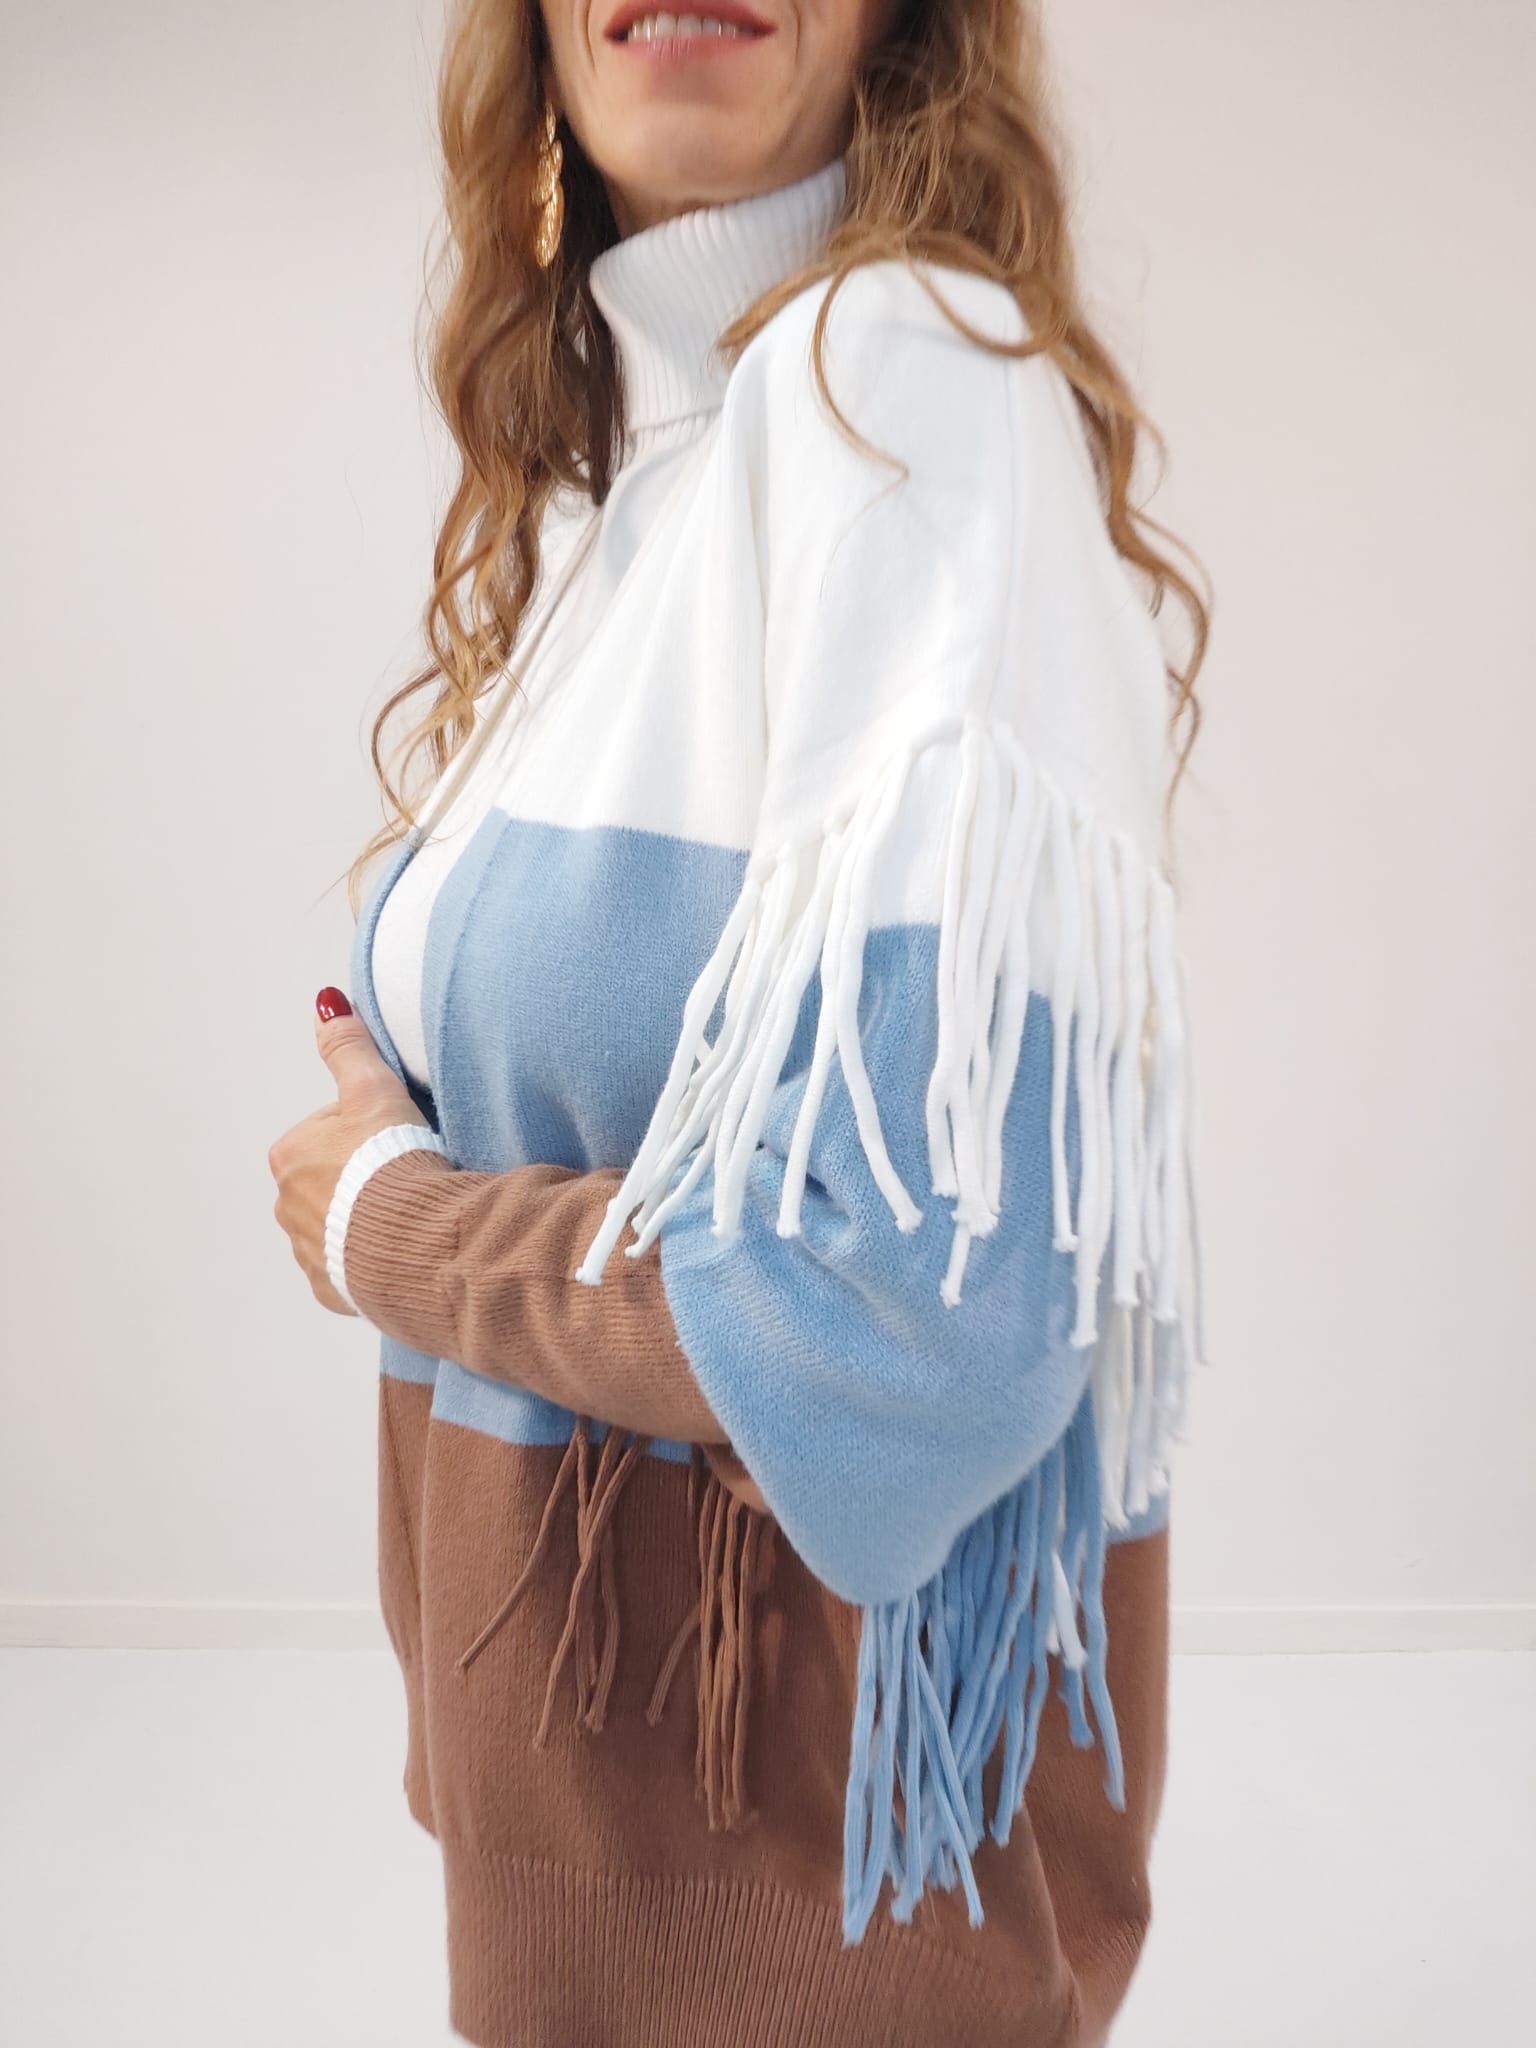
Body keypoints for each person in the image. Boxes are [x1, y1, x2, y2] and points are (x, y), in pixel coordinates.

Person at [268, 2, 1211, 2041]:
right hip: (594, 1869)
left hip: (811, 1930)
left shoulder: (901, 378)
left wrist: (388, 1224)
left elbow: (917, 1322)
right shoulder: (634, 489)